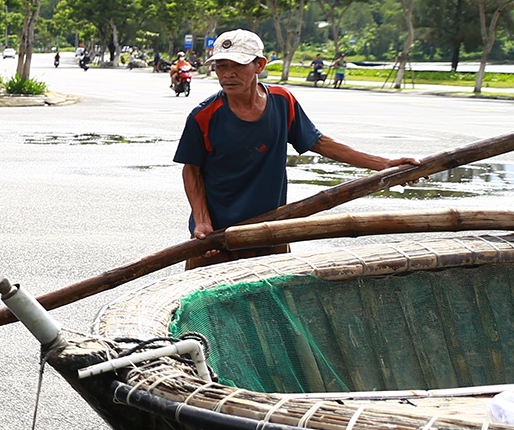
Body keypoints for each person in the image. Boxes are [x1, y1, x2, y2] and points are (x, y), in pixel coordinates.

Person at [175, 29, 414, 266]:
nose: (228, 74)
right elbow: (192, 170)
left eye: (237, 65)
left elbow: (319, 142)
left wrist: (383, 164)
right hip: (218, 237)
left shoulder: (282, 102)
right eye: (221, 66)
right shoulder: (203, 116)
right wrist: (202, 221)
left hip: (270, 230)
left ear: (259, 65)